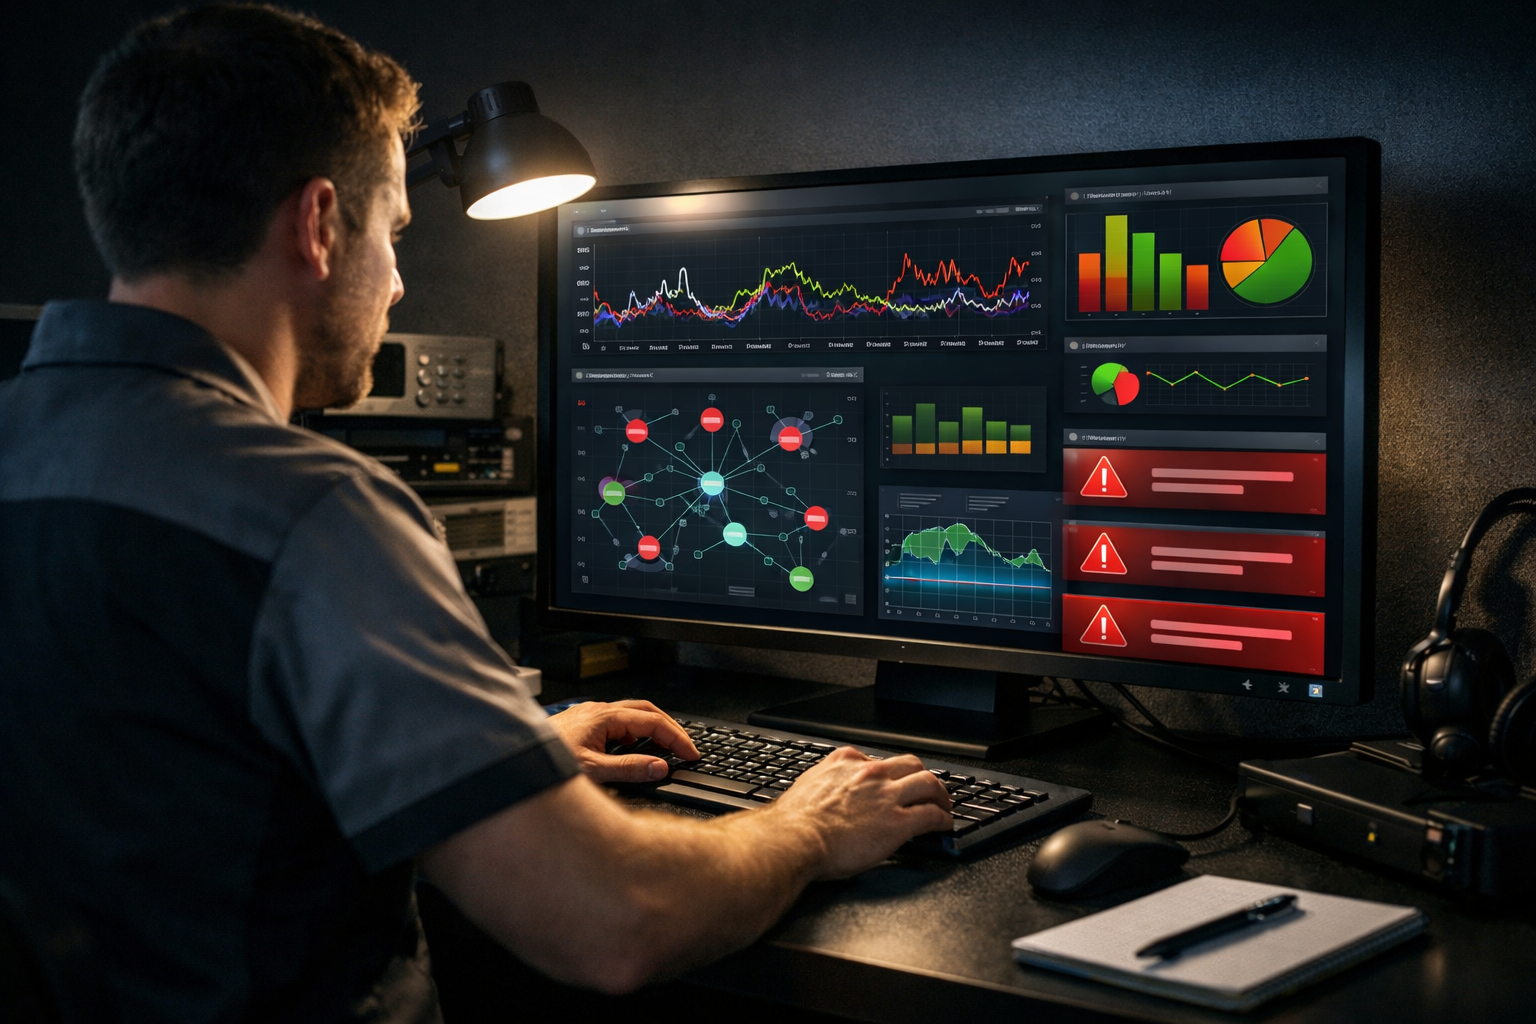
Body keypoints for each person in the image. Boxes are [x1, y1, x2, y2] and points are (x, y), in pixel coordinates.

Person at [0, 5, 951, 1021]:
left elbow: (170, 772)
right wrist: (805, 826)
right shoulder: (309, 511)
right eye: (394, 233)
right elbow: (615, 918)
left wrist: (503, 749)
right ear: (320, 225)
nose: (400, 281)